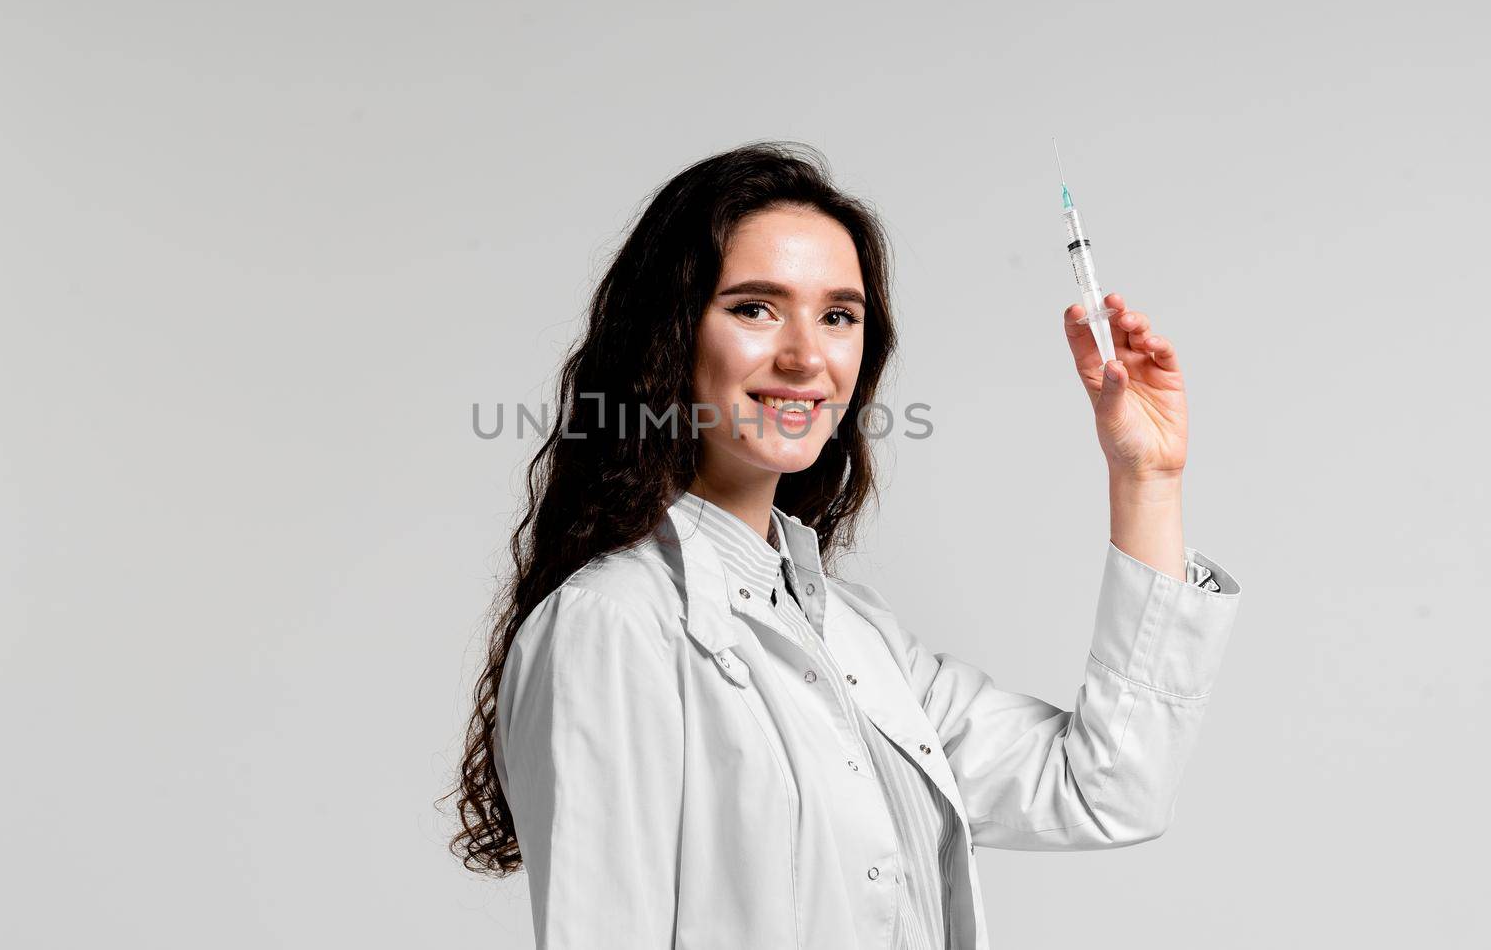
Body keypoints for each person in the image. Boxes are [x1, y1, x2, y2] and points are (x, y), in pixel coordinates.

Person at [442, 141, 1241, 949]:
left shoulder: (854, 634)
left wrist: (1145, 478)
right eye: (754, 307)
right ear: (670, 335)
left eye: (838, 316)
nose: (805, 357)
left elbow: (1105, 788)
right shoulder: (611, 625)